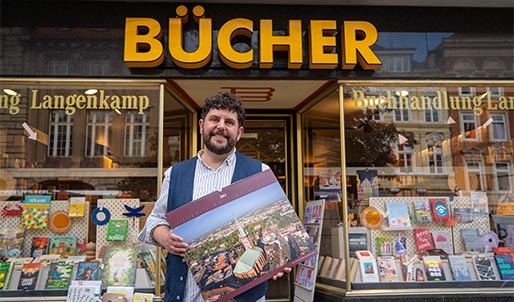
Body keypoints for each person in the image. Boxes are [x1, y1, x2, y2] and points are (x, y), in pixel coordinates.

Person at [138, 92, 290, 302]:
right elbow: (155, 220)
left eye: (229, 122)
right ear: (202, 125)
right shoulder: (176, 174)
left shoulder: (259, 172)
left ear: (239, 132)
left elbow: (275, 229)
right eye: (214, 119)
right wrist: (165, 238)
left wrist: (280, 260)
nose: (221, 126)